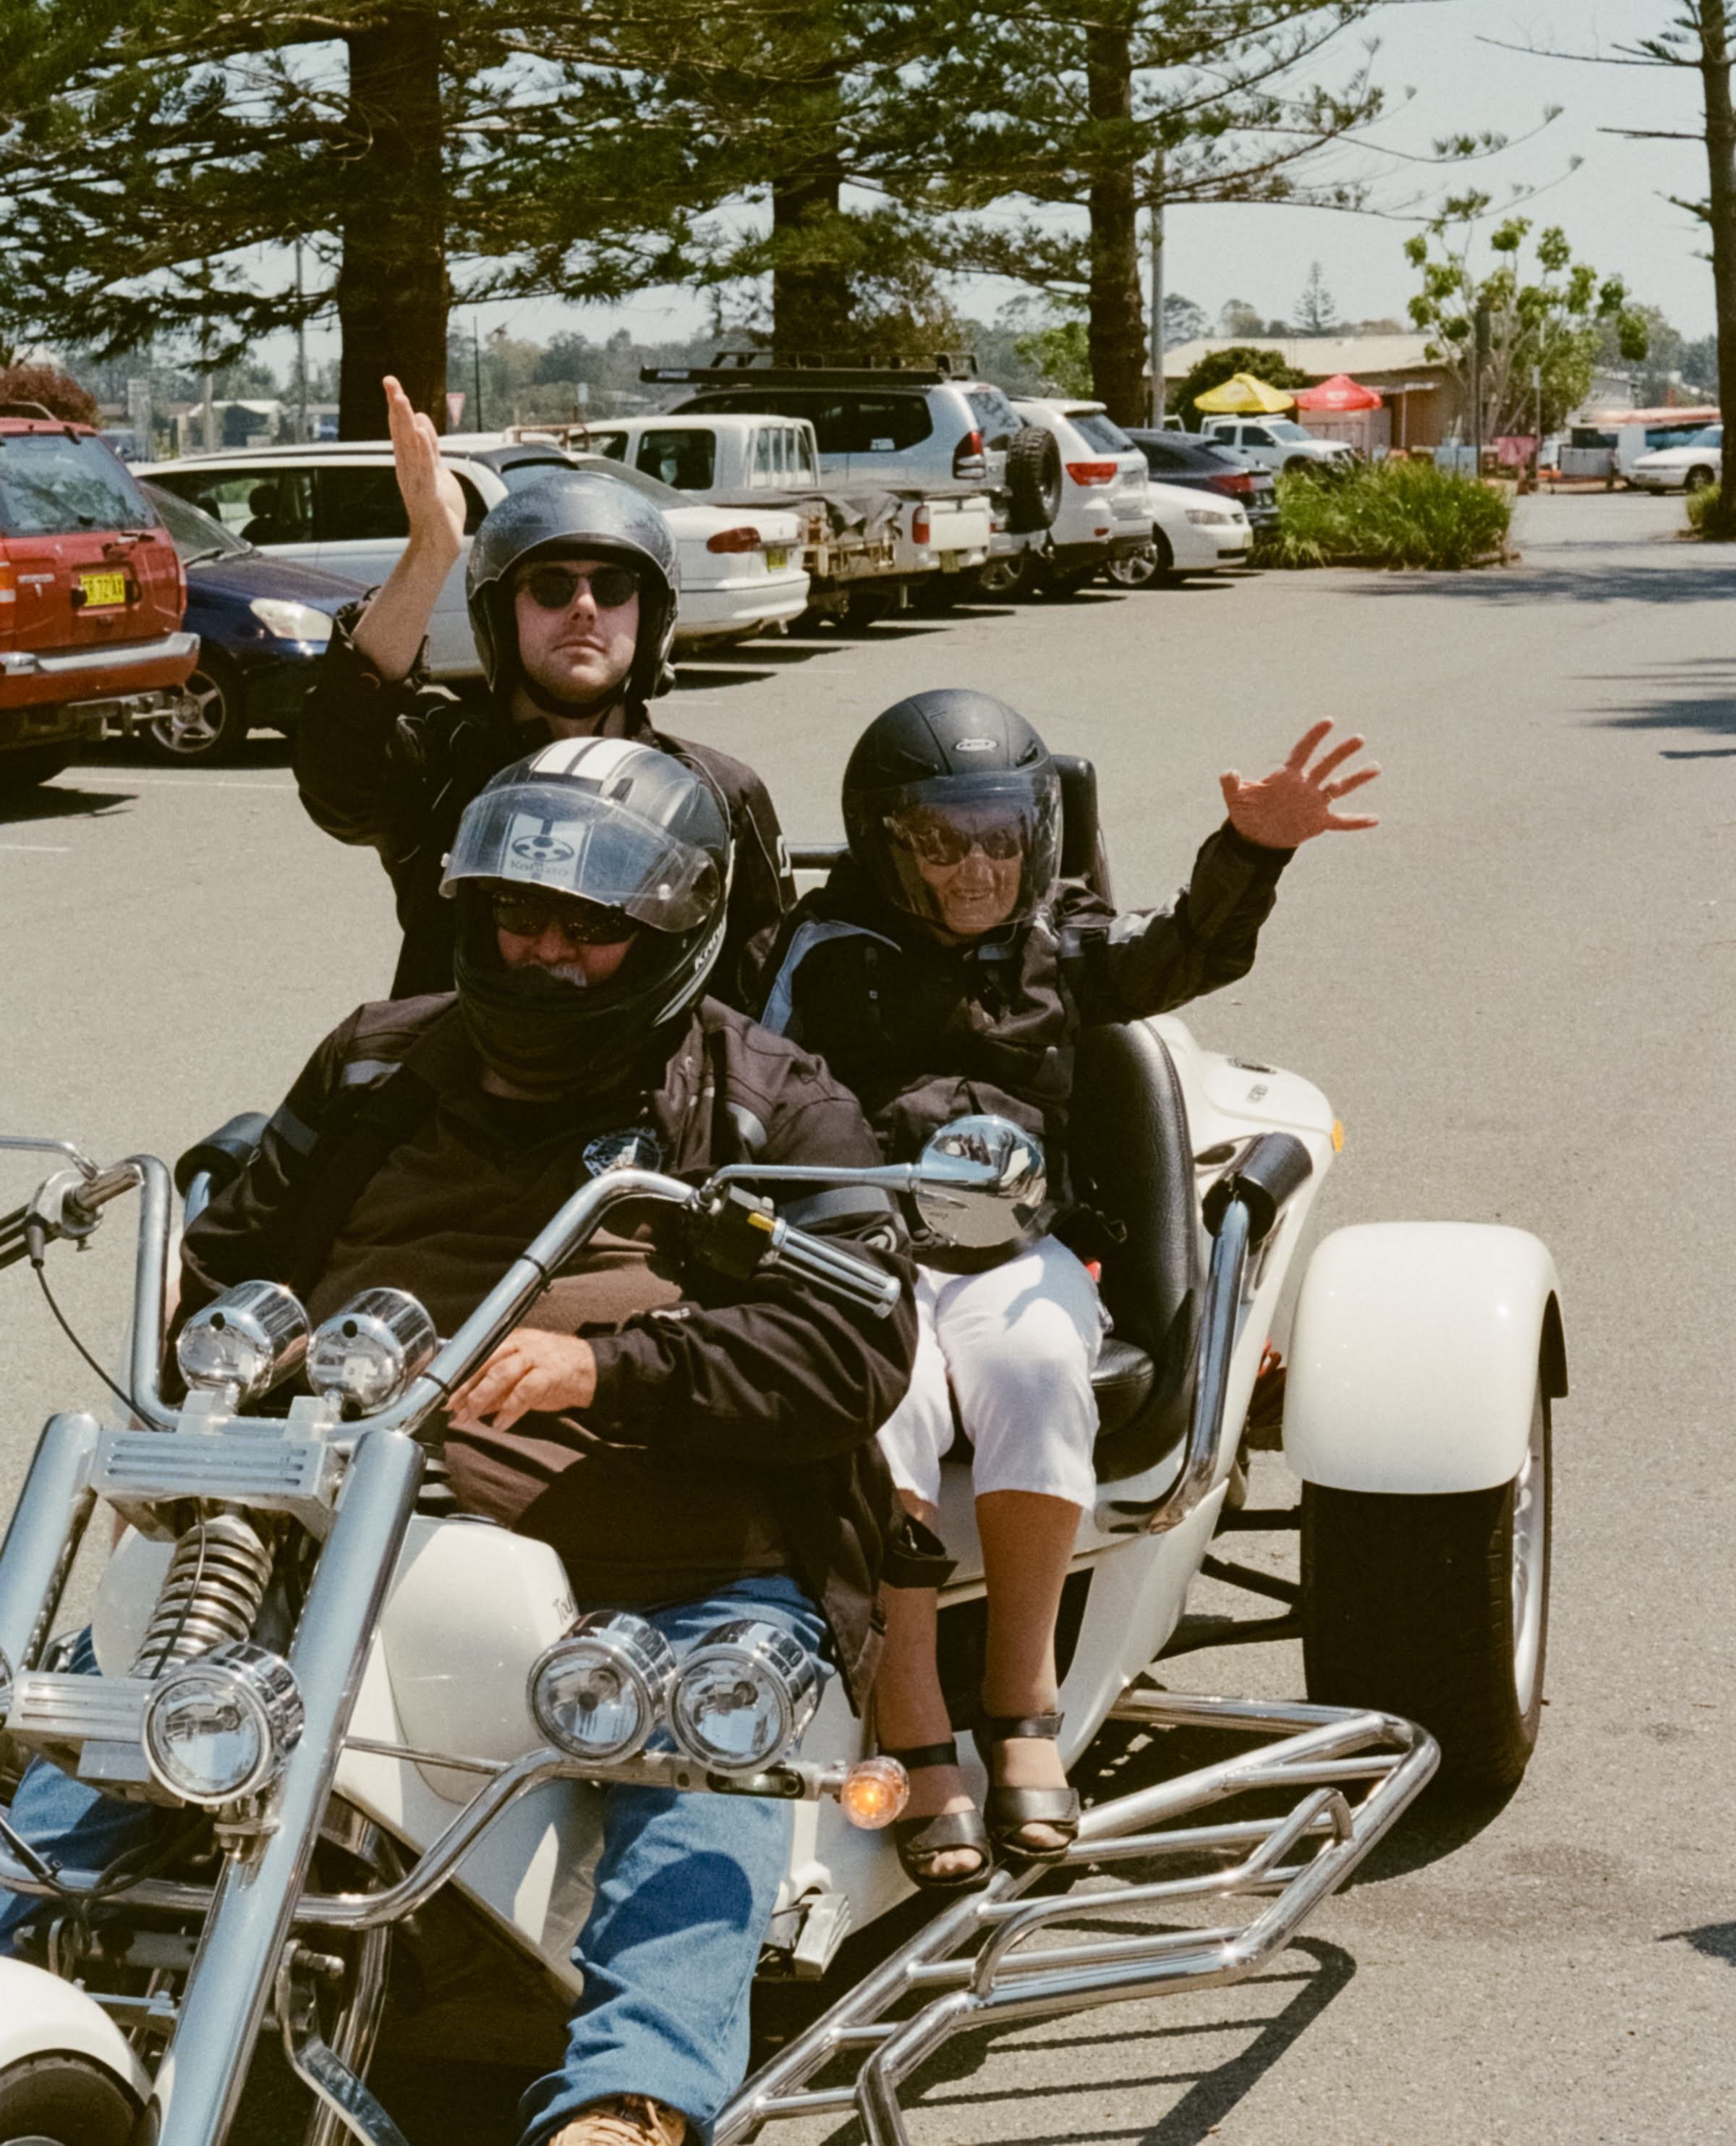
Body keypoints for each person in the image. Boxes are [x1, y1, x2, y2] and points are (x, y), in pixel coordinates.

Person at [1, 740, 918, 2146]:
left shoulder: (772, 1104)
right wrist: (215, 1360)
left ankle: (632, 2096)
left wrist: (609, 1367)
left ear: (673, 931)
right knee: (117, 1699)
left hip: (659, 1551)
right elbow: (237, 1249)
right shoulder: (379, 1058)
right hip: (343, 1501)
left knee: (697, 1752)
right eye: (517, 917)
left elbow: (855, 1339)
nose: (543, 952)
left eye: (589, 929)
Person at [757, 689, 1379, 1887]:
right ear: (886, 840)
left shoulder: (1054, 938)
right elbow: (737, 1071)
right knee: (886, 1401)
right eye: (942, 841)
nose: (978, 868)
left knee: (1041, 1362)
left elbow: (1182, 951)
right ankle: (912, 1720)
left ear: (1036, 833)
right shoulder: (817, 951)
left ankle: (1024, 1704)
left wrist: (1252, 850)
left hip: (1010, 1246)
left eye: (1001, 836)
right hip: (860, 1249)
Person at [293, 376, 792, 1004]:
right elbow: (335, 773)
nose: (584, 607)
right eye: (551, 587)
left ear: (650, 617)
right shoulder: (443, 766)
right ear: (502, 616)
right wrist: (431, 549)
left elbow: (766, 996)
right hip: (462, 1063)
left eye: (613, 587)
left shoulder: (717, 795)